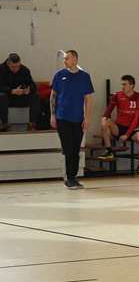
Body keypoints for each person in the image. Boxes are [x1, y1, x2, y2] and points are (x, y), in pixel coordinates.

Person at [50, 50, 93, 189]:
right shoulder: (59, 75)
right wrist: (52, 114)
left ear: (75, 59)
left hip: (78, 118)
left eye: (67, 58)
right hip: (62, 117)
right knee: (68, 148)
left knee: (75, 150)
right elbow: (53, 96)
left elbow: (88, 99)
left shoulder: (85, 77)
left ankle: (73, 177)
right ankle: (69, 178)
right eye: (64, 58)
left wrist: (87, 118)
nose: (65, 61)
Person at [98, 75, 139, 177]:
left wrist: (127, 134)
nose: (122, 87)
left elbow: (137, 118)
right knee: (105, 121)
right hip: (119, 127)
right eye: (122, 84)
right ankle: (109, 151)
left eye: (125, 84)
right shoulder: (117, 95)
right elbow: (108, 110)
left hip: (133, 128)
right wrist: (104, 117)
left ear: (132, 85)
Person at [0, 53, 40, 132]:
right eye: (13, 67)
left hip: (21, 96)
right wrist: (11, 91)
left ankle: (32, 124)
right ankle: (4, 124)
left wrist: (28, 89)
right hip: (8, 97)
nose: (16, 69)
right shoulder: (1, 69)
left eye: (18, 66)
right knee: (1, 97)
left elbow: (32, 85)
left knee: (35, 96)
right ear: (8, 63)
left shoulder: (24, 70)